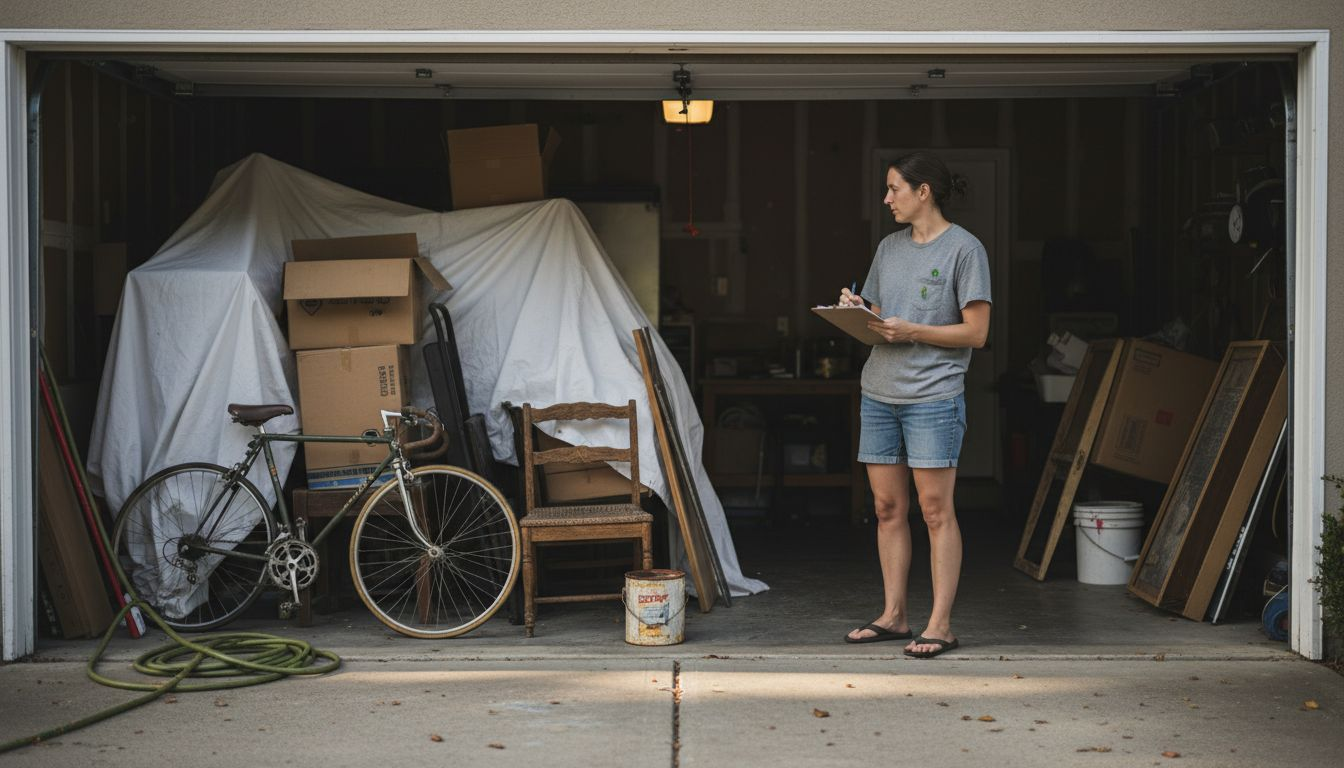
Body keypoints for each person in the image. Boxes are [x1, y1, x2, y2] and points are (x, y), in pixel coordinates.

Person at [838, 151, 991, 659]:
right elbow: (882, 317)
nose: (887, 199)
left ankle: (940, 624)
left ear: (924, 191)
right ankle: (894, 616)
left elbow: (977, 332)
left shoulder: (965, 250)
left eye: (894, 189)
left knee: (934, 511)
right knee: (886, 509)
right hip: (880, 392)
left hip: (933, 397)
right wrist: (859, 311)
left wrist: (913, 330)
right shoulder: (889, 247)